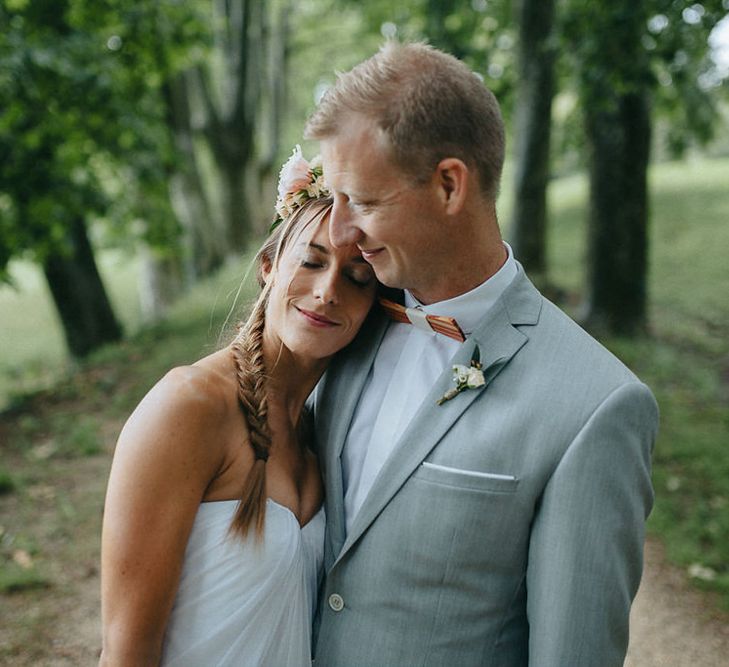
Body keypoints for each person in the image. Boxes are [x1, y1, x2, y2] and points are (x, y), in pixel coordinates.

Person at [304, 41, 659, 666]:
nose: (337, 232)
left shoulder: (595, 408)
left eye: (360, 200)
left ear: (448, 186)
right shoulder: (341, 327)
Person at [98, 147, 377, 666]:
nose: (327, 292)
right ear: (269, 267)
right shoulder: (188, 407)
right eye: (311, 261)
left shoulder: (327, 429)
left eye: (357, 279)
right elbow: (126, 650)